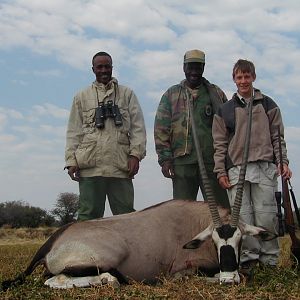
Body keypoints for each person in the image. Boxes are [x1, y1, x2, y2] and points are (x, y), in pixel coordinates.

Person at [212, 59, 292, 272]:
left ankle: (270, 262)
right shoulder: (225, 110)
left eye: (247, 76)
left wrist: (282, 162)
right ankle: (248, 263)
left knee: (266, 215)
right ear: (234, 79)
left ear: (253, 77)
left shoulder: (268, 104)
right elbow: (219, 144)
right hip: (237, 170)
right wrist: (220, 171)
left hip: (264, 167)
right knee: (243, 219)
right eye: (239, 77)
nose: (244, 81)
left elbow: (278, 137)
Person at [65, 51, 146, 220]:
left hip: (120, 166)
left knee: (126, 217)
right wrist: (71, 161)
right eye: (99, 67)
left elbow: (138, 128)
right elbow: (74, 131)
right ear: (93, 69)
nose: (103, 70)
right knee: (88, 216)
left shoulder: (127, 94)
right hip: (90, 167)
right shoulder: (81, 96)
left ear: (112, 68)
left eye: (107, 66)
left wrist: (135, 155)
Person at [154, 49, 230, 208]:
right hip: (182, 164)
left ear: (203, 68)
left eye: (198, 67)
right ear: (184, 67)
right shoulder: (171, 94)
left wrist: (226, 162)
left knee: (220, 210)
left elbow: (228, 127)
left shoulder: (216, 93)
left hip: (212, 163)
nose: (194, 72)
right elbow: (161, 128)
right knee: (182, 212)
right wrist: (165, 159)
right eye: (191, 67)